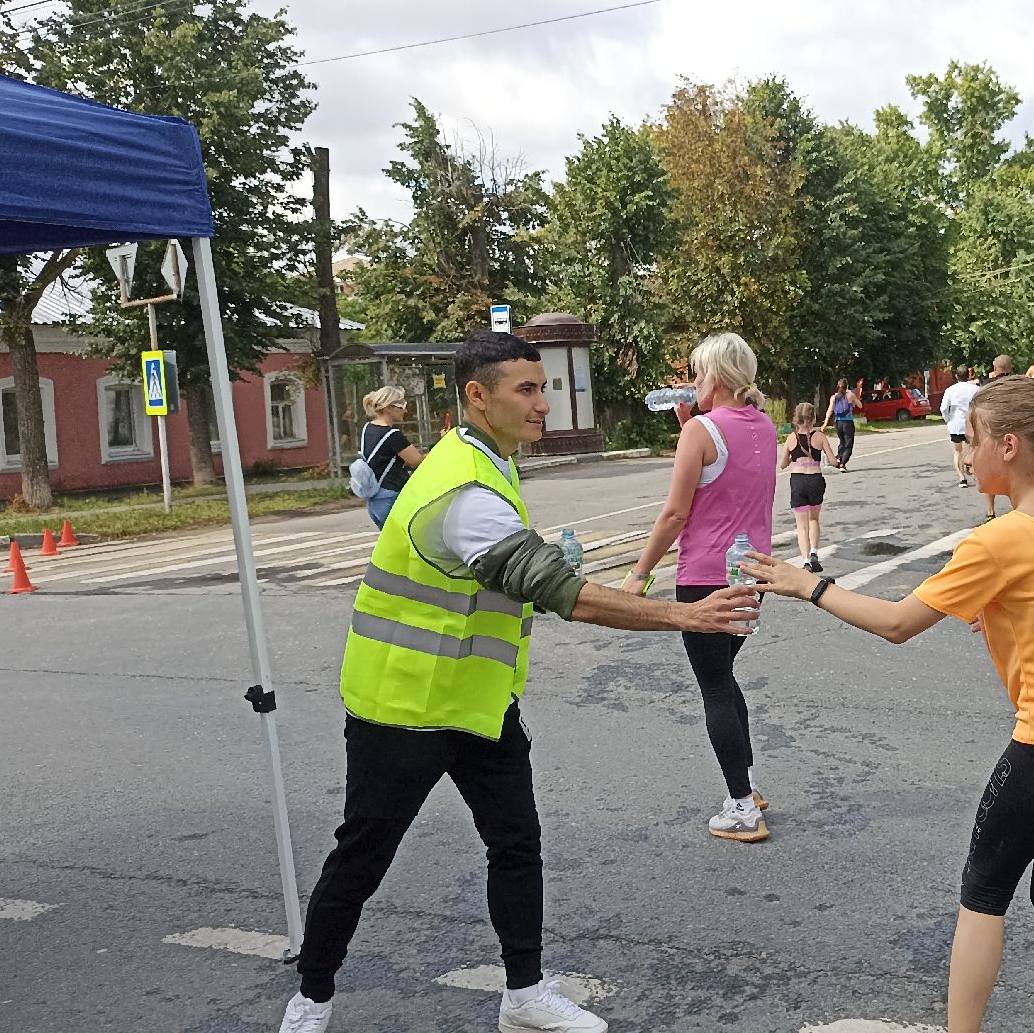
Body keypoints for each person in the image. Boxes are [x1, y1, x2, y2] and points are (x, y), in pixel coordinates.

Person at [281, 331, 757, 1033]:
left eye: (545, 389)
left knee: (515, 843)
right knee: (364, 853)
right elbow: (563, 593)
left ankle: (523, 994)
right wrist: (687, 614)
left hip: (476, 704)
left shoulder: (483, 460)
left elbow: (512, 581)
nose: (543, 405)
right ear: (478, 396)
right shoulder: (464, 488)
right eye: (526, 391)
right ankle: (311, 1000)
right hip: (404, 706)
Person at [740, 377, 1034, 1033]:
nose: (965, 453)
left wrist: (807, 585)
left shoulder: (999, 541)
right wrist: (1017, 615)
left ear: (1010, 447)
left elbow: (897, 623)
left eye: (973, 439)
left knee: (983, 896)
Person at [625, 333, 779, 843]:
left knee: (714, 685)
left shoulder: (701, 433)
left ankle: (740, 809)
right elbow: (730, 484)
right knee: (725, 678)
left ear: (714, 377)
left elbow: (676, 513)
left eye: (696, 374)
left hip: (705, 577)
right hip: (752, 573)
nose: (692, 384)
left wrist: (639, 574)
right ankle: (748, 786)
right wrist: (692, 424)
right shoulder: (764, 426)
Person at [357, 386, 425, 529]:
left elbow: (383, 459)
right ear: (388, 408)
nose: (405, 410)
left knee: (392, 546)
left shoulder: (368, 429)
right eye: (402, 406)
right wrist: (441, 444)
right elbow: (416, 461)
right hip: (391, 498)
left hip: (374, 500)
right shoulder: (392, 435)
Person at [780, 402, 832, 573]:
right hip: (815, 480)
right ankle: (815, 552)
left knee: (801, 526)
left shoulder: (791, 438)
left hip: (798, 481)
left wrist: (791, 456)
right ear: (814, 418)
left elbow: (782, 464)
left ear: (796, 419)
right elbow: (832, 460)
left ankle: (806, 561)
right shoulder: (820, 437)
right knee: (814, 519)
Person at [980, 356, 1018, 521]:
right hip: (1014, 435)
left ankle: (990, 511)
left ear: (994, 368)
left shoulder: (986, 386)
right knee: (1015, 472)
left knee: (989, 472)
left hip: (991, 433)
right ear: (1011, 368)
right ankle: (1017, 507)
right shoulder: (1018, 385)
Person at [939, 365, 980, 488]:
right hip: (972, 425)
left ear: (956, 376)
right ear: (968, 376)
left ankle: (962, 478)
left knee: (958, 451)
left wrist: (948, 420)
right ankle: (975, 473)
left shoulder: (950, 390)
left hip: (956, 425)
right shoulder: (976, 389)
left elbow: (944, 408)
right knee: (974, 449)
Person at [822, 378, 860, 472]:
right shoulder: (850, 395)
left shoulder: (834, 397)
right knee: (848, 444)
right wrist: (854, 398)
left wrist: (825, 424)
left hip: (838, 423)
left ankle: (839, 458)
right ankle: (842, 463)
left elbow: (829, 410)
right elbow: (860, 405)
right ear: (846, 386)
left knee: (842, 442)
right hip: (848, 422)